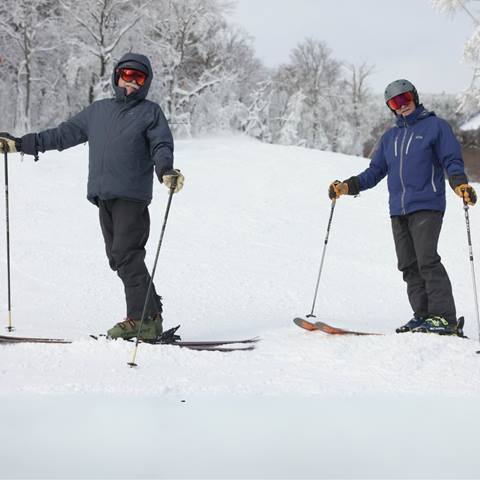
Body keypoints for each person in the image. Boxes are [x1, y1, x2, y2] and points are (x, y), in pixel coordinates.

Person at [0, 52, 184, 341]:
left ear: (146, 82)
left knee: (127, 254)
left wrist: (166, 170)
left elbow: (161, 144)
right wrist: (22, 144)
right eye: (127, 75)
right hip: (104, 196)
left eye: (139, 77)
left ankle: (143, 319)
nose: (132, 82)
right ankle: (149, 313)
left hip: (131, 196)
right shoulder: (98, 111)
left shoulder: (151, 112)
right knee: (118, 257)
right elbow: (63, 134)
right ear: (116, 76)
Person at [328, 79, 477, 336]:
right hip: (398, 209)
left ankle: (445, 318)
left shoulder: (436, 127)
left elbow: (451, 160)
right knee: (408, 264)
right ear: (391, 108)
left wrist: (460, 185)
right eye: (394, 103)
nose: (402, 105)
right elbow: (374, 172)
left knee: (427, 260)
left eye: (405, 98)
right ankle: (423, 315)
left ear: (414, 97)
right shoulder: (389, 138)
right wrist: (347, 186)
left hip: (427, 205)